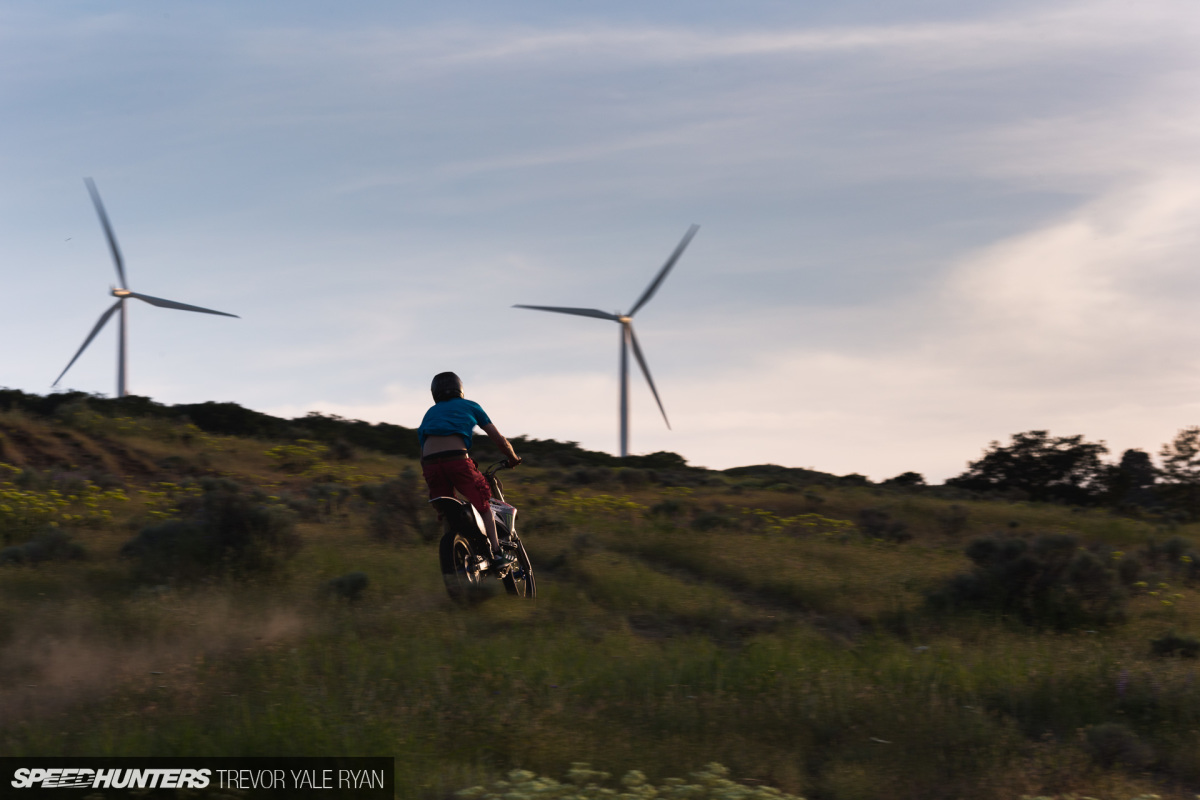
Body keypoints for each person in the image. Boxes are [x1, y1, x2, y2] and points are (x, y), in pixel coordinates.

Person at [418, 372, 522, 567]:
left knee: (447, 509)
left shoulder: (430, 413)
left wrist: (429, 473)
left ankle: (454, 555)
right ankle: (497, 553)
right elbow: (497, 438)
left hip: (431, 464)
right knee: (484, 504)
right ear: (460, 389)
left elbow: (422, 451)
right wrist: (512, 457)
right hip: (458, 460)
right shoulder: (471, 406)